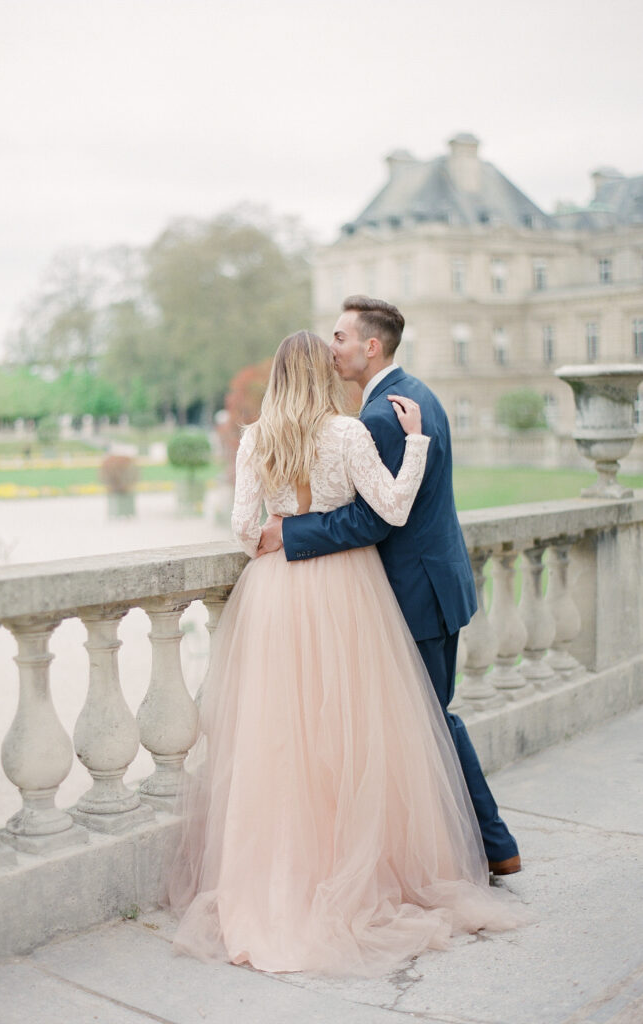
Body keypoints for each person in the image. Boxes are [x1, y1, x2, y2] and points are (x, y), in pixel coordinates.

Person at [167, 330, 526, 976]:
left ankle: (284, 878)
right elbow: (390, 506)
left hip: (275, 597)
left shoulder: (256, 439)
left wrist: (273, 540)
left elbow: (244, 531)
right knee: (352, 734)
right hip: (348, 591)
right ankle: (353, 868)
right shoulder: (347, 433)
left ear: (278, 375)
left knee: (282, 740)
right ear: (321, 374)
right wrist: (415, 445)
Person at [258, 296, 520, 875]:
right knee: (428, 717)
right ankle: (480, 847)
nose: (332, 349)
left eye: (340, 338)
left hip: (414, 591)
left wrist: (291, 532)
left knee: (427, 719)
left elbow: (375, 519)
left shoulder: (381, 416)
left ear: (370, 346)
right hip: (435, 580)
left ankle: (493, 846)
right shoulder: (417, 396)